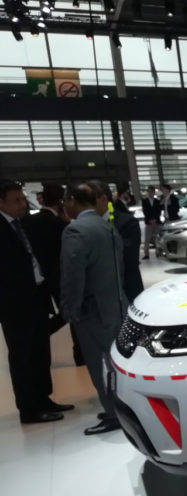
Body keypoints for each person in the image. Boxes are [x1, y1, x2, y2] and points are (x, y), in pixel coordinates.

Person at [0, 180, 74, 423]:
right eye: (16, 200)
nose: (23, 204)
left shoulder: (22, 224)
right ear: (1, 202)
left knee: (41, 352)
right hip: (14, 304)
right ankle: (29, 408)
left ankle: (43, 398)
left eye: (23, 198)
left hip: (37, 295)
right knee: (22, 356)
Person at [61, 182, 128, 435]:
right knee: (114, 362)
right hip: (115, 304)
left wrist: (71, 309)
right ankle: (120, 409)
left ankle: (113, 414)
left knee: (98, 364)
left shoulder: (75, 230)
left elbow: (73, 275)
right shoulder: (107, 226)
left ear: (72, 201)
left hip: (92, 310)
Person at [22, 183, 84, 366]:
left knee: (48, 313)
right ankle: (79, 354)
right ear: (60, 202)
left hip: (39, 277)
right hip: (60, 275)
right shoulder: (61, 225)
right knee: (71, 314)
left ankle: (40, 338)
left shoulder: (28, 221)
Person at [97, 182, 144, 302]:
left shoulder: (127, 222)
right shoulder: (85, 225)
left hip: (126, 288)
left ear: (103, 199)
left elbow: (127, 257)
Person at [141, 186, 161, 260]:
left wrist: (155, 219)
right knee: (147, 238)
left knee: (157, 238)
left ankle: (158, 252)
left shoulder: (157, 201)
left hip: (157, 221)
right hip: (148, 222)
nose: (150, 193)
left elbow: (158, 211)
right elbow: (145, 211)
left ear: (154, 192)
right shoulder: (144, 201)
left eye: (152, 191)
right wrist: (150, 219)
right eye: (149, 191)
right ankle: (146, 254)